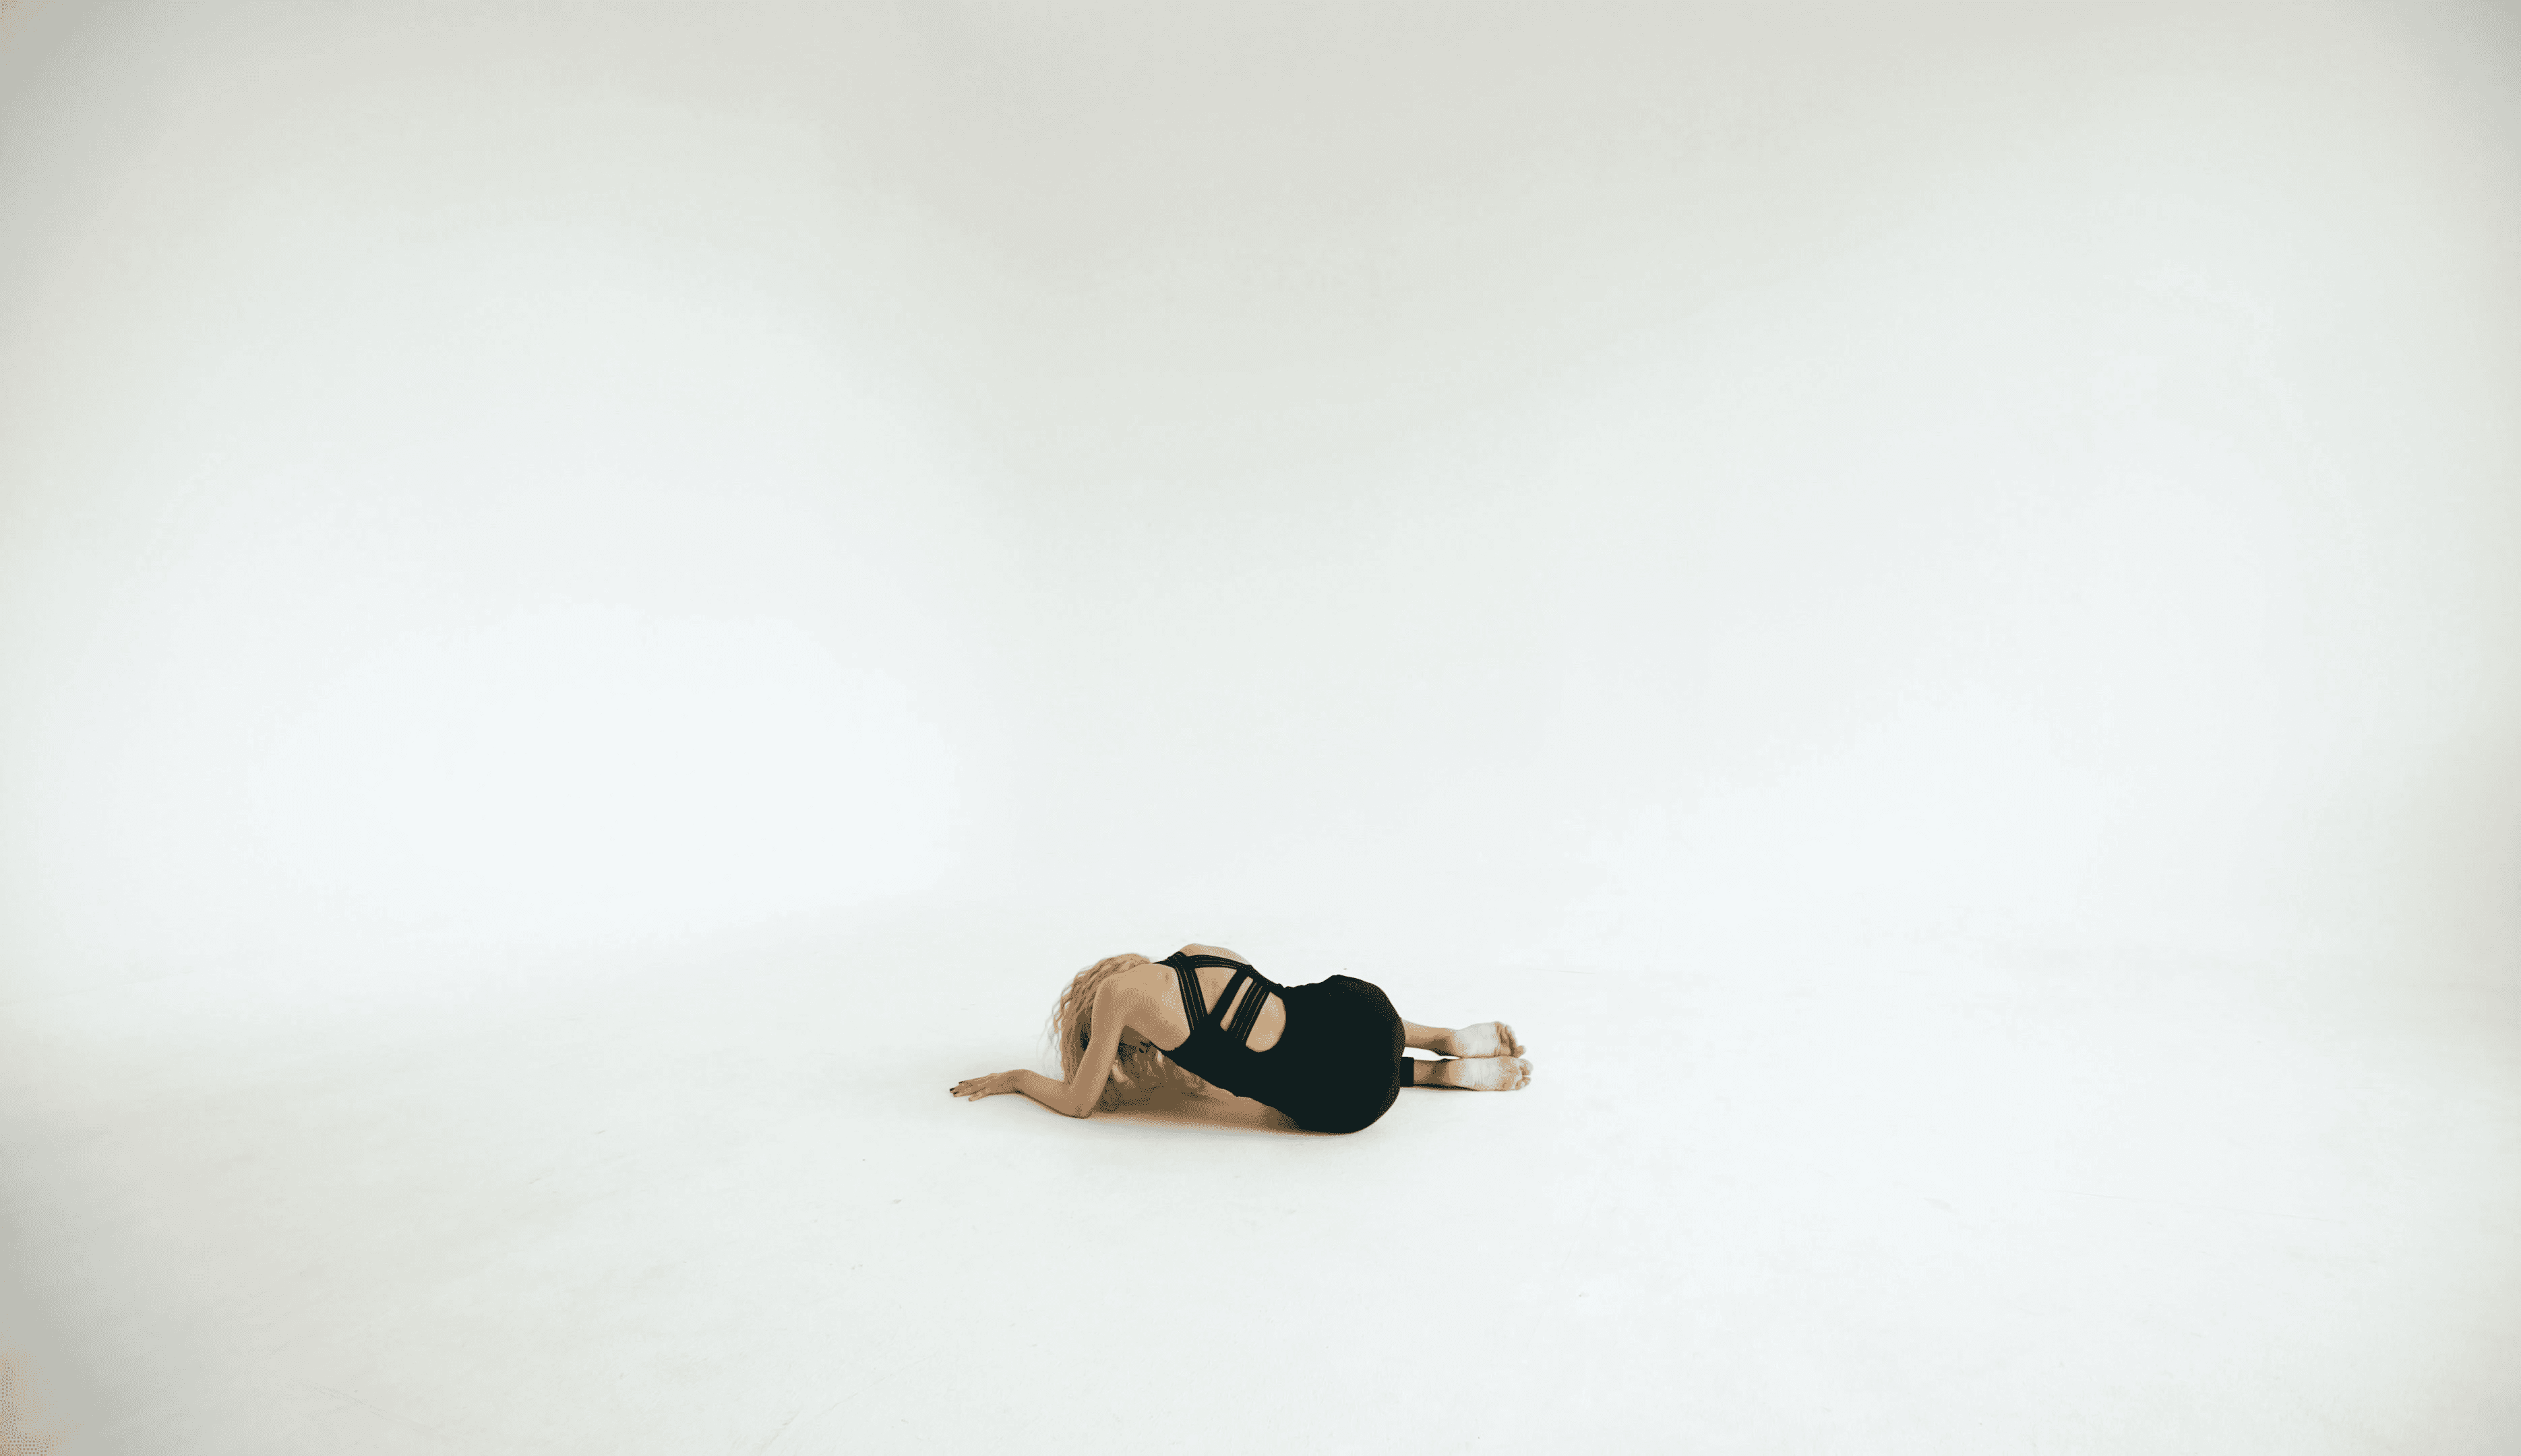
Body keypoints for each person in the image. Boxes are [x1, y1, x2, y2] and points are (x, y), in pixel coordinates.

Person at [950, 943, 1531, 1134]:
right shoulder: (1198, 952)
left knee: (1293, 1075)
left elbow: (1079, 1104)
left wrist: (1016, 1079)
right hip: (1369, 1010)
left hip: (1354, 1101)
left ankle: (1435, 1075)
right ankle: (1445, 1046)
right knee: (1320, 1023)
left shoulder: (1119, 1001)